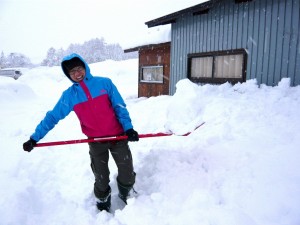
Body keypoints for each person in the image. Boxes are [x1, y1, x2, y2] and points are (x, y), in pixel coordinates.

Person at [23, 53, 139, 212]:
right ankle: (103, 199)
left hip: (118, 137)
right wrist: (34, 138)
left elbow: (119, 107)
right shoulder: (69, 96)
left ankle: (126, 193)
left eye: (79, 69)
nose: (77, 74)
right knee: (101, 178)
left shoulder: (104, 83)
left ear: (85, 66)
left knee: (126, 172)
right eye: (72, 72)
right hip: (96, 142)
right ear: (68, 75)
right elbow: (52, 117)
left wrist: (128, 128)